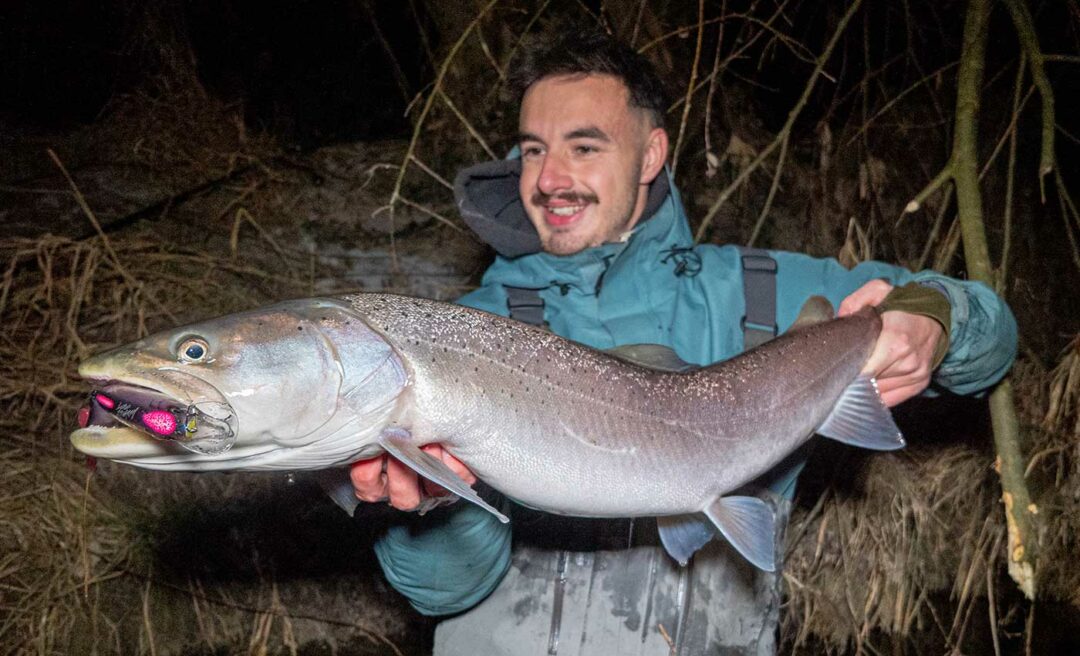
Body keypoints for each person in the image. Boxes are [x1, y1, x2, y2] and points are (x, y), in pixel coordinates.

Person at [349, 30, 1017, 654]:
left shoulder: (763, 294)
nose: (547, 179)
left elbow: (991, 335)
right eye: (531, 150)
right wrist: (431, 504)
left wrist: (935, 317)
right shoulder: (463, 340)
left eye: (584, 147)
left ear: (652, 155)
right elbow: (440, 589)